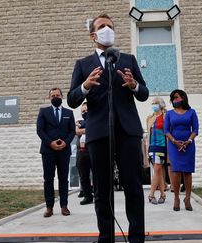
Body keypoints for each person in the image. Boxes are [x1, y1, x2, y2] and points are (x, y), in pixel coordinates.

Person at [67, 14, 149, 243]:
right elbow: (72, 99)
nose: (108, 30)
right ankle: (106, 238)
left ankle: (136, 239)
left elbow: (144, 94)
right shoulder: (83, 65)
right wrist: (84, 86)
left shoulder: (129, 60)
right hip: (99, 131)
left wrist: (134, 86)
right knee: (102, 189)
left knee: (133, 187)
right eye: (102, 27)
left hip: (127, 130)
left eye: (111, 27)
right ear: (93, 35)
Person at [36, 87, 75, 217]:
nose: (55, 97)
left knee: (63, 179)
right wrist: (50, 143)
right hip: (48, 151)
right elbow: (40, 130)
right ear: (49, 98)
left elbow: (72, 131)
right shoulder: (43, 112)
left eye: (58, 95)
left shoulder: (69, 113)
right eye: (53, 96)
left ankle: (64, 206)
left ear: (62, 96)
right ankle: (49, 207)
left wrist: (66, 142)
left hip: (64, 151)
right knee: (48, 179)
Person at [164, 89, 199, 212]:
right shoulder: (169, 114)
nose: (175, 100)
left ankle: (188, 198)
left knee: (188, 172)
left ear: (183, 98)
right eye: (173, 98)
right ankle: (177, 198)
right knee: (177, 171)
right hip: (174, 145)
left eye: (177, 97)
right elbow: (166, 131)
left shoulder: (191, 112)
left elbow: (195, 129)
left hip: (188, 145)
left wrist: (189, 141)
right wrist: (175, 141)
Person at [145, 97, 167, 205]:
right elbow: (148, 134)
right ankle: (157, 195)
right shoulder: (149, 118)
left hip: (162, 146)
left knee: (158, 170)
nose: (154, 105)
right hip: (152, 147)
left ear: (161, 105)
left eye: (156, 103)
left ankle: (157, 194)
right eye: (152, 103)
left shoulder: (165, 116)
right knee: (157, 170)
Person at [75, 102, 93, 205]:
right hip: (82, 152)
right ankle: (87, 196)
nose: (85, 112)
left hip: (93, 150)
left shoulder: (96, 120)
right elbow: (77, 132)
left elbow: (95, 129)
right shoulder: (79, 121)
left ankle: (99, 194)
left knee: (97, 174)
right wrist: (88, 130)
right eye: (83, 111)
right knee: (83, 175)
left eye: (86, 110)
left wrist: (83, 129)